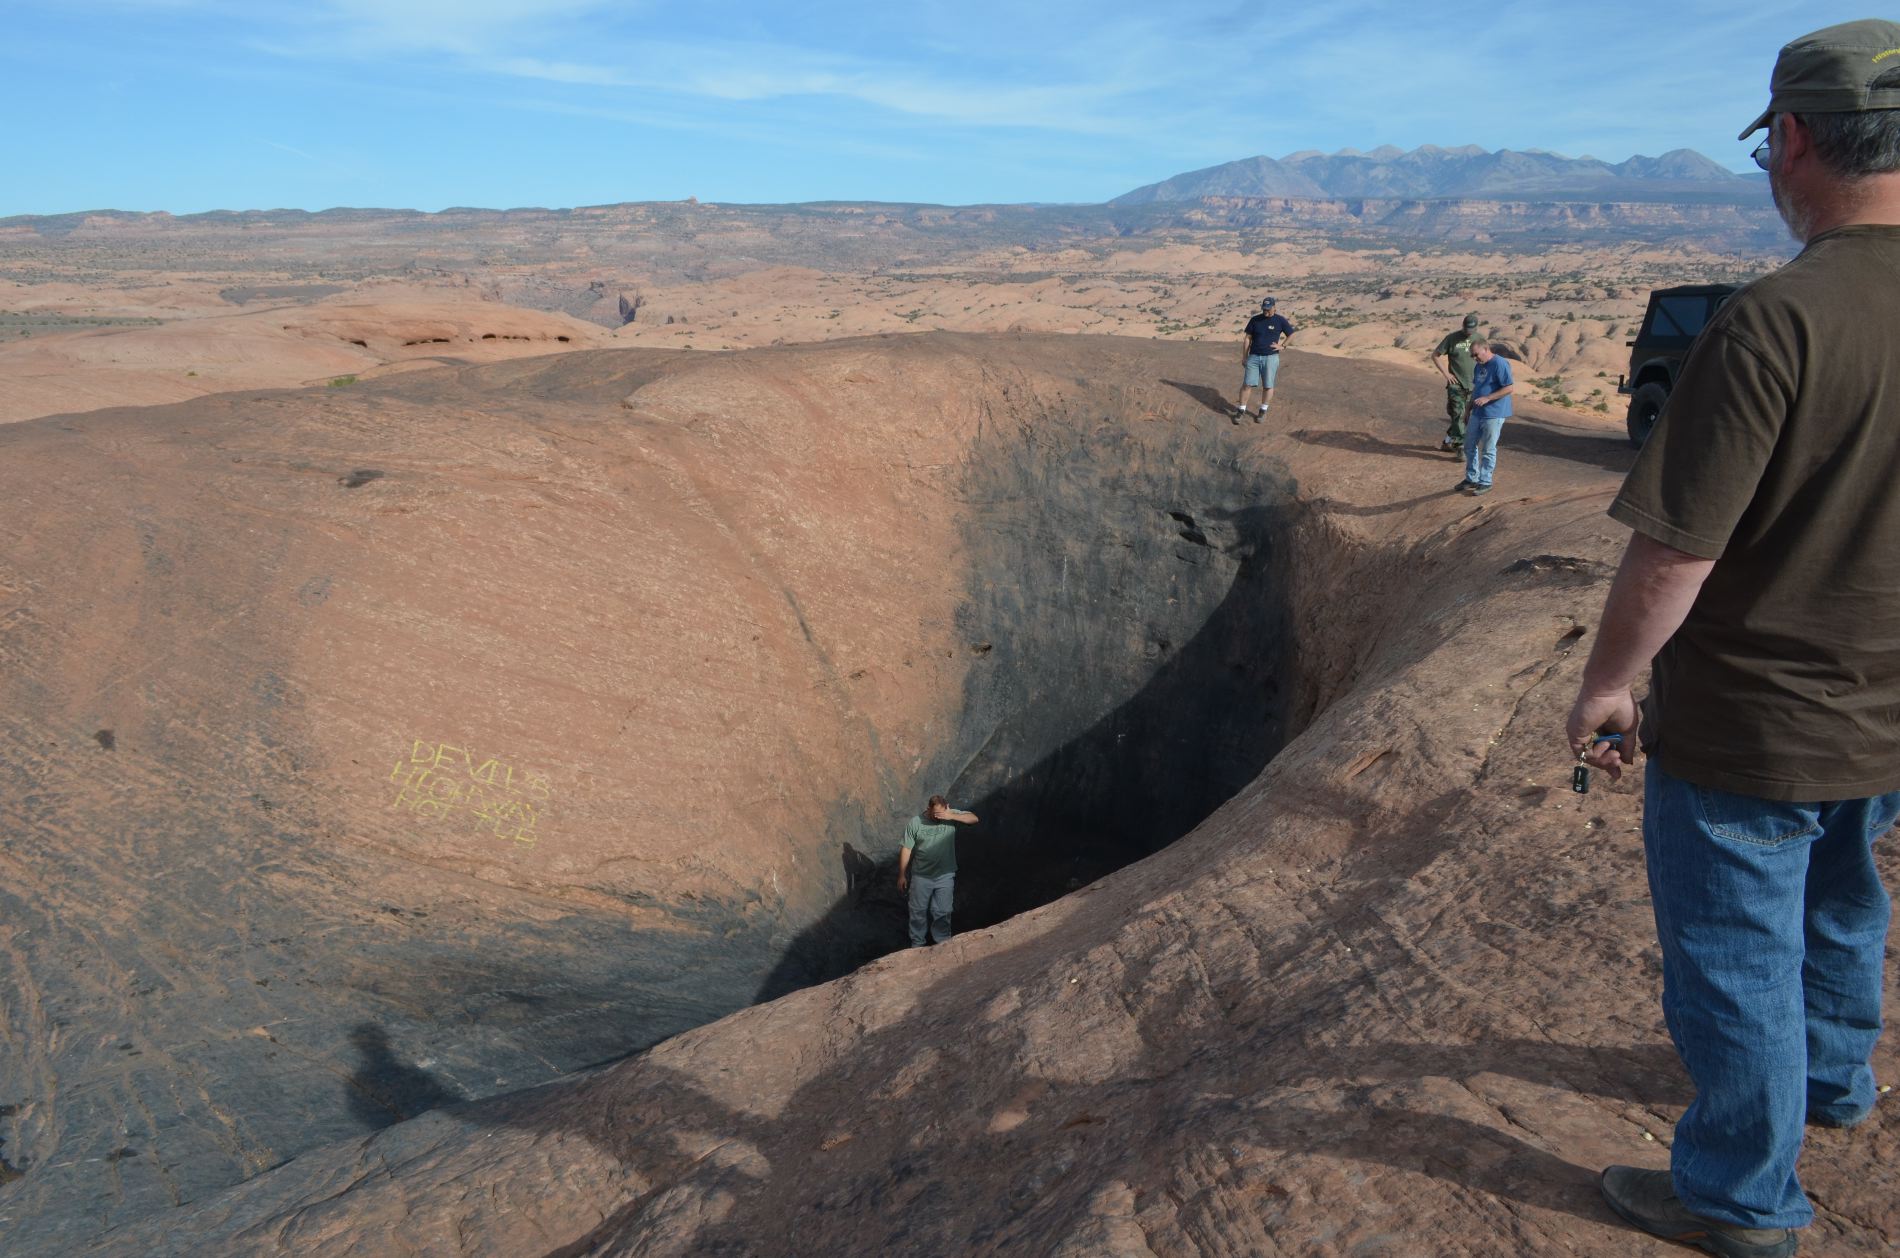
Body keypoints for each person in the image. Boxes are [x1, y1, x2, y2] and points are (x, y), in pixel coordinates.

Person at [1564, 18, 1900, 1257]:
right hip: (1886, 713)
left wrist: (1609, 684)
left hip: (1752, 724)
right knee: (1844, 901)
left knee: (1733, 956)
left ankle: (1737, 1195)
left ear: (1795, 139)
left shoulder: (1776, 321)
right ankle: (1834, 1084)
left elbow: (1674, 551)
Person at [897, 794, 979, 947]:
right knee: (917, 912)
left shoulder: (950, 815)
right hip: (921, 876)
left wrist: (951, 816)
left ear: (947, 807)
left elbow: (974, 819)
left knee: (943, 911)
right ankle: (917, 945)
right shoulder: (916, 823)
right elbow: (906, 849)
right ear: (928, 809)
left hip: (945, 875)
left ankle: (943, 943)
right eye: (935, 813)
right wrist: (902, 875)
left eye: (941, 813)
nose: (938, 816)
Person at [1456, 342, 1512, 495]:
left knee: (1488, 449)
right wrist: (1468, 409)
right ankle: (1471, 478)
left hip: (1494, 413)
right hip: (1477, 412)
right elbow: (1477, 388)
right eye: (1472, 356)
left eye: (1476, 354)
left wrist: (1488, 398)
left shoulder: (1499, 363)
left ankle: (1485, 481)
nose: (1474, 358)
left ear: (1486, 349)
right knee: (1469, 445)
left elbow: (1509, 387)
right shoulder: (1479, 366)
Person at [1233, 297, 1297, 422]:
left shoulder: (1280, 320)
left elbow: (1291, 334)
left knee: (1268, 385)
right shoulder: (1255, 320)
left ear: (1274, 308)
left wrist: (1283, 346)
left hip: (1271, 357)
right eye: (1264, 309)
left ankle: (1263, 411)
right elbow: (1247, 338)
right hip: (1254, 357)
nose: (1265, 311)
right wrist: (1244, 356)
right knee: (1247, 384)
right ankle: (1241, 410)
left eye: (1268, 309)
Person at [1429, 314, 1483, 452]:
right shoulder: (1452, 338)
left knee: (1465, 417)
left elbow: (1486, 358)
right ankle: (1460, 447)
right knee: (1458, 414)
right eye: (1466, 329)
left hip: (1473, 384)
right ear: (1462, 326)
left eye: (1471, 330)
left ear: (1476, 328)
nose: (1468, 332)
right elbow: (1435, 355)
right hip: (1456, 384)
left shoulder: (1479, 339)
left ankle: (1447, 442)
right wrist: (1446, 374)